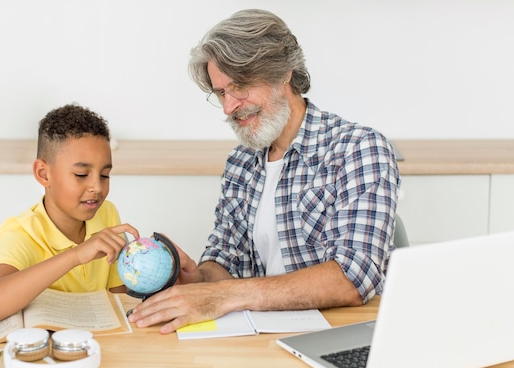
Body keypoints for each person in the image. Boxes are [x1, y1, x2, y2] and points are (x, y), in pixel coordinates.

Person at [128, 9, 400, 334]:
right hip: (265, 339)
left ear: (283, 73)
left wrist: (222, 295)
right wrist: (200, 279)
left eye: (240, 86)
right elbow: (227, 259)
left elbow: (352, 278)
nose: (229, 107)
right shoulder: (240, 163)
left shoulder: (358, 149)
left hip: (343, 335)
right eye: (221, 93)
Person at [0, 104, 139, 324]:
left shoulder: (107, 214)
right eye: (81, 174)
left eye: (105, 175)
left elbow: (120, 301)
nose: (97, 187)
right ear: (44, 174)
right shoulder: (22, 231)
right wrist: (77, 255)